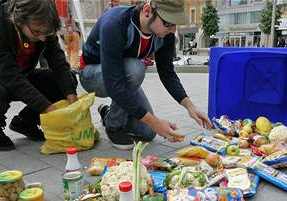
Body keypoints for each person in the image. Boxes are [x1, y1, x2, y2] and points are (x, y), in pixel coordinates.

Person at [79, 0, 212, 150]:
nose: (173, 30)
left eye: (176, 24)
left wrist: (190, 107)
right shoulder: (115, 23)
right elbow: (114, 83)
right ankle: (114, 126)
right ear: (147, 11)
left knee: (148, 132)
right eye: (168, 23)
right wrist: (155, 122)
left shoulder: (165, 34)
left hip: (123, 77)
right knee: (135, 69)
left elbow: (167, 73)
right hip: (92, 73)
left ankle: (108, 113)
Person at [0, 0, 78, 151]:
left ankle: (25, 122)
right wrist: (50, 110)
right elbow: (11, 79)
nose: (43, 38)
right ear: (18, 19)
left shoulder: (43, 25)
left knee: (67, 80)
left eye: (46, 33)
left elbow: (58, 63)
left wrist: (73, 99)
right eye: (37, 32)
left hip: (18, 74)